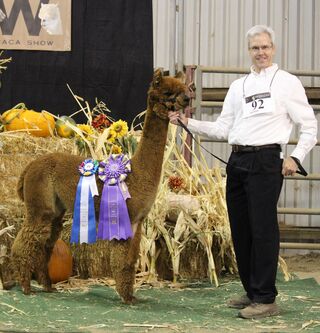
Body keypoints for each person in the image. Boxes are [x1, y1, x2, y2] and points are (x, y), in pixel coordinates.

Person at [168, 25, 318, 319]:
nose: (260, 52)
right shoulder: (239, 87)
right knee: (241, 228)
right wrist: (187, 122)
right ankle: (251, 290)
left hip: (266, 161)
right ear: (248, 51)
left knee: (263, 230)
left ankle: (266, 299)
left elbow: (310, 126)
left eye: (265, 47)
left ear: (273, 49)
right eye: (255, 48)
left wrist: (296, 157)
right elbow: (224, 128)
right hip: (237, 162)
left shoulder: (287, 83)